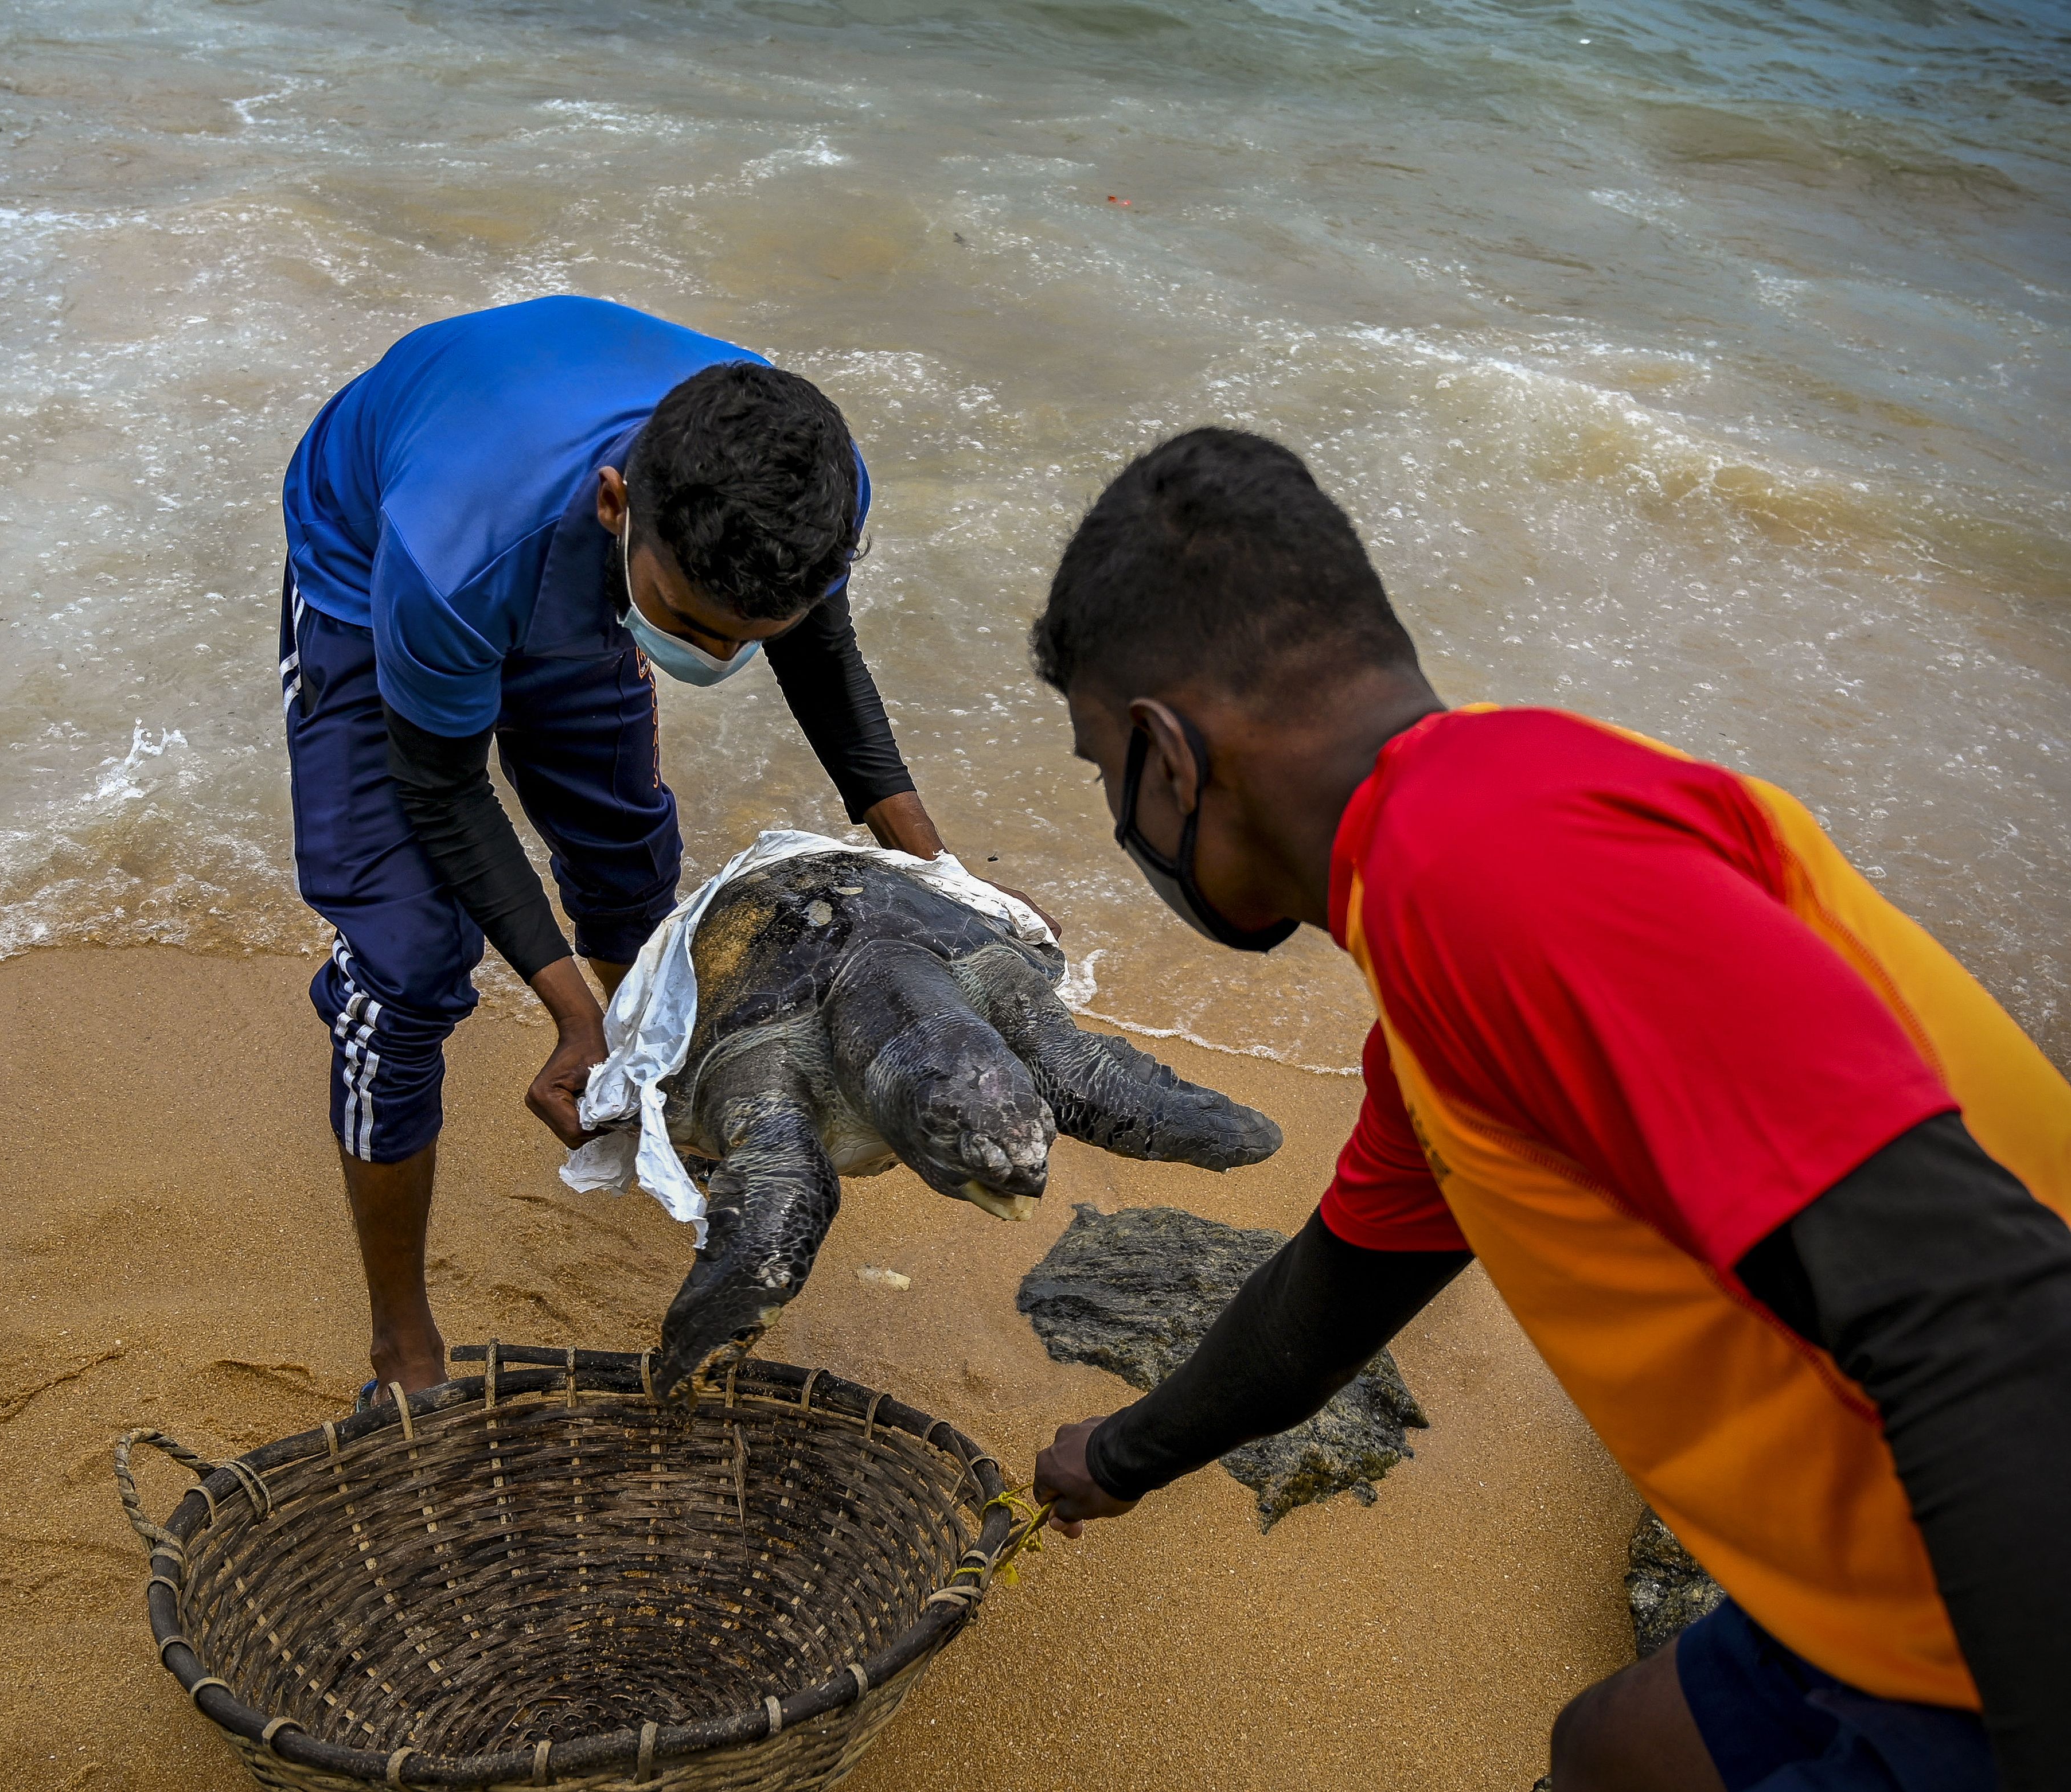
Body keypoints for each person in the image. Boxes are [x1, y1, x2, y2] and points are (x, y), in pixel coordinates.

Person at [1024, 428, 2070, 1791]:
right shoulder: (1445, 938)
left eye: (1099, 766)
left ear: (1166, 756)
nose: (1117, 815)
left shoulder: (1494, 865)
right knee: (1608, 1751)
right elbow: (1327, 1301)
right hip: (1892, 1549)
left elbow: (1994, 1316)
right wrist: (1120, 1454)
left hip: (2015, 1549)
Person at [280, 296, 957, 1403]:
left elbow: (821, 654)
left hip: (567, 536)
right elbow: (440, 788)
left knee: (630, 872)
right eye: (690, 628)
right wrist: (572, 1014)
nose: (717, 659)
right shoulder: (454, 553)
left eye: (745, 639)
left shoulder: (809, 490)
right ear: (616, 506)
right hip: (377, 556)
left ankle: (662, 1109)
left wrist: (943, 875)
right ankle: (400, 1341)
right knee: (403, 972)